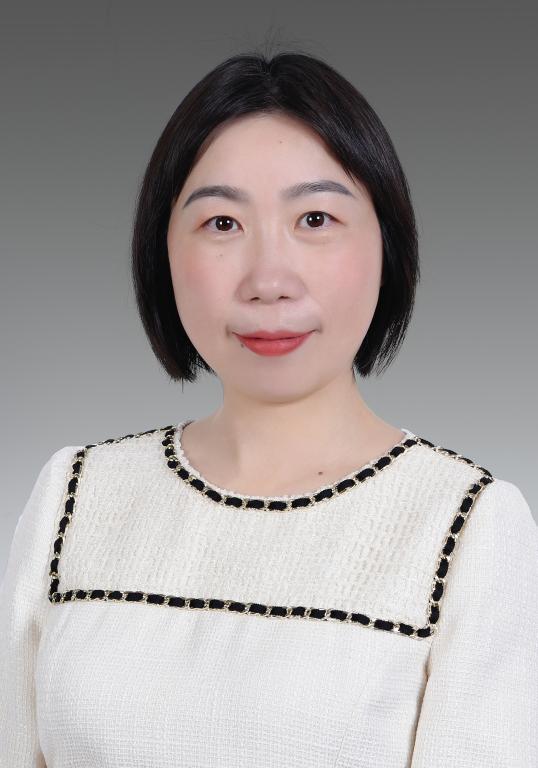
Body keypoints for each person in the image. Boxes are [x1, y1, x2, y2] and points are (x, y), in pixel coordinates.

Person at [1, 46, 537, 767]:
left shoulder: (466, 529)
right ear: (162, 252)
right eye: (222, 224)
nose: (268, 279)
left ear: (388, 245)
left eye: (315, 218)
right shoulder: (74, 497)